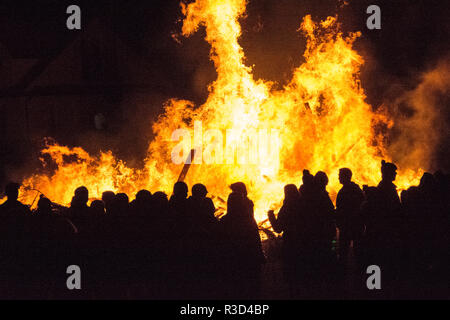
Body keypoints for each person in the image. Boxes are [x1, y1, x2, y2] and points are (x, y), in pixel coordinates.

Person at [336, 168, 364, 261]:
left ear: (346, 176)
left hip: (348, 225)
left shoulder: (346, 191)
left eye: (340, 175)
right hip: (355, 225)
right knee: (357, 250)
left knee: (345, 251)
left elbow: (341, 209)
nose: (338, 177)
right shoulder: (356, 189)